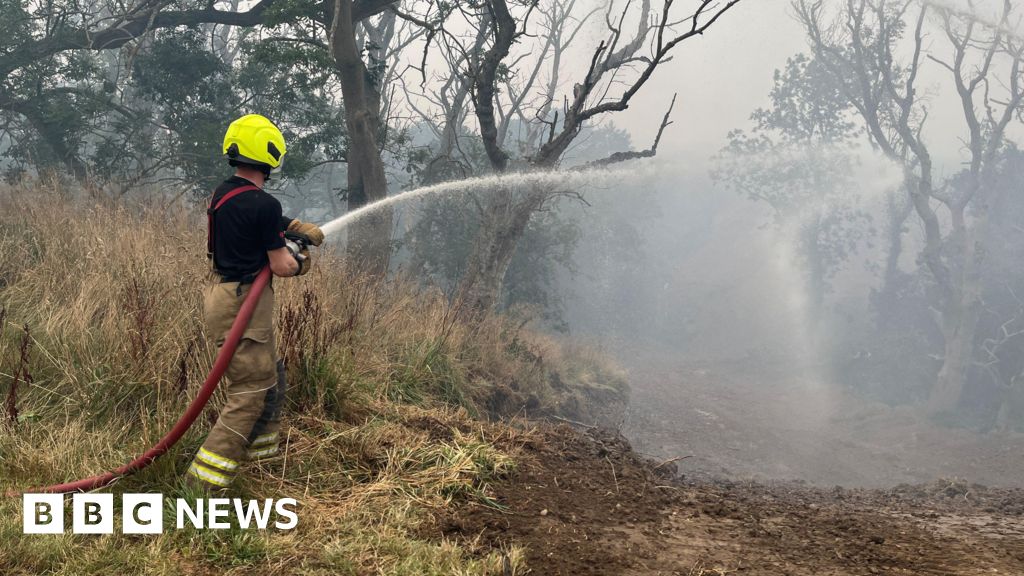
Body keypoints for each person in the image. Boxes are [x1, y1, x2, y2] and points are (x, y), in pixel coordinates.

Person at [187, 114, 324, 490]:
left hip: (222, 294)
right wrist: (301, 261)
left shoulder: (223, 193)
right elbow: (280, 265)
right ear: (270, 153)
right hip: (243, 300)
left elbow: (260, 219)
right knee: (249, 390)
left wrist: (292, 226)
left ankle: (262, 461)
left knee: (270, 374)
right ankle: (201, 485)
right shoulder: (263, 205)